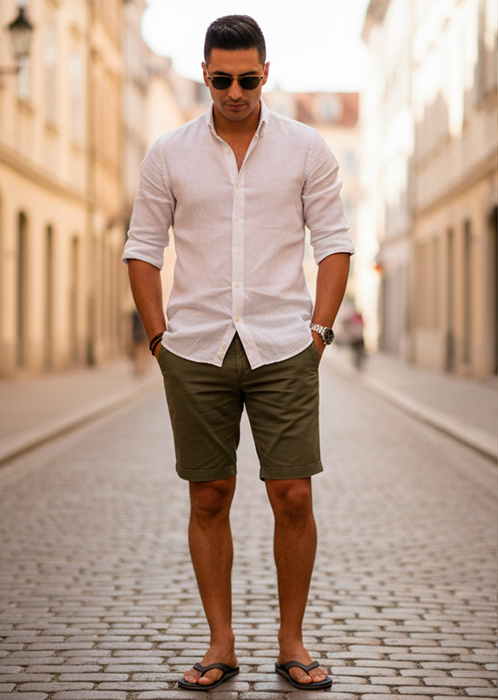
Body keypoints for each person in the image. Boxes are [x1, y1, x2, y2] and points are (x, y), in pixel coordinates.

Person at [122, 15, 353, 692]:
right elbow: (142, 248)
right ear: (204, 74)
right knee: (209, 496)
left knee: (293, 495)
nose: (234, 92)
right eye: (221, 79)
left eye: (248, 80)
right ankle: (219, 643)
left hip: (284, 345)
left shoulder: (307, 148)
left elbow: (334, 243)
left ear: (265, 74)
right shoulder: (169, 153)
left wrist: (319, 332)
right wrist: (159, 339)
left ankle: (291, 641)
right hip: (194, 348)